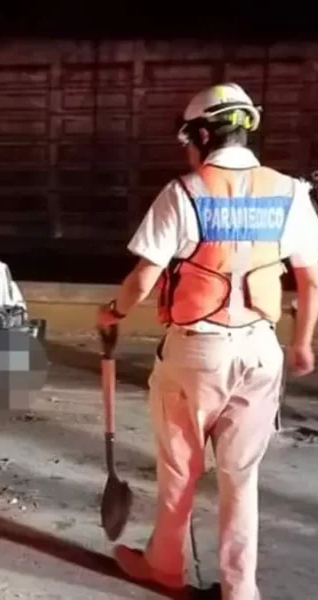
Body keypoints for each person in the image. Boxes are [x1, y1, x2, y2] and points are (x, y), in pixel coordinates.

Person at [95, 82, 318, 599]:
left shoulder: (185, 193)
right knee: (241, 477)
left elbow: (145, 278)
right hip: (261, 351)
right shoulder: (289, 193)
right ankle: (240, 590)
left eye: (188, 141)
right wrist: (302, 343)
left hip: (197, 352)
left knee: (181, 470)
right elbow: (310, 280)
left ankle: (166, 568)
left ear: (200, 134)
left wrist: (113, 313)